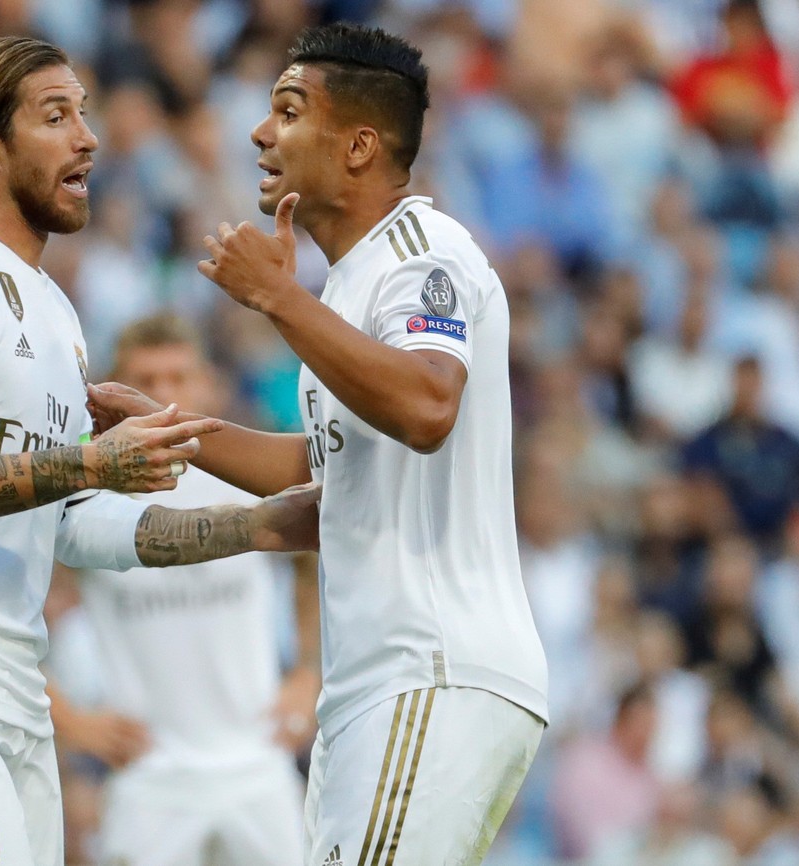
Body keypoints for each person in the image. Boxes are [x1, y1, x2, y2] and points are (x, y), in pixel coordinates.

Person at [0, 36, 321, 866]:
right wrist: (91, 462)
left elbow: (74, 527)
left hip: (10, 687)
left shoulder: (54, 313)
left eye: (85, 112)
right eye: (57, 116)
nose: (89, 137)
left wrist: (264, 527)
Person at [89, 23, 547, 865]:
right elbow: (323, 470)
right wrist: (171, 430)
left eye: (288, 111)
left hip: (430, 668)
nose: (261, 134)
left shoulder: (424, 250)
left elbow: (428, 404)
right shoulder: (351, 284)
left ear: (360, 145)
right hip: (379, 686)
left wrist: (277, 297)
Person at [52, 313, 320, 866]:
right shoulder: (89, 492)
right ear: (110, 394)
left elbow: (312, 566)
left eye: (179, 378)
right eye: (146, 381)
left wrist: (310, 674)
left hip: (257, 761)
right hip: (151, 776)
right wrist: (69, 718)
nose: (163, 395)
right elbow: (18, 599)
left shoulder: (242, 477)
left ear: (208, 385)